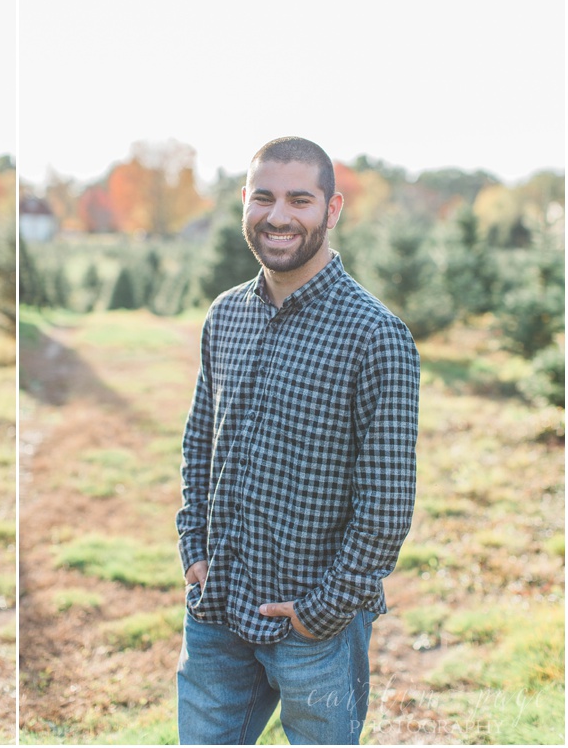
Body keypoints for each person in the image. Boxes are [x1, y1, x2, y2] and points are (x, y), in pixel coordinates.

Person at [175, 137, 420, 744]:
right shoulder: (226, 315)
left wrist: (325, 610)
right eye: (264, 198)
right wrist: (194, 552)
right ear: (244, 204)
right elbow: (198, 442)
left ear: (331, 210)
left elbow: (387, 503)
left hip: (315, 630)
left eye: (299, 200)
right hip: (218, 608)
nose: (279, 216)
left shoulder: (375, 335)